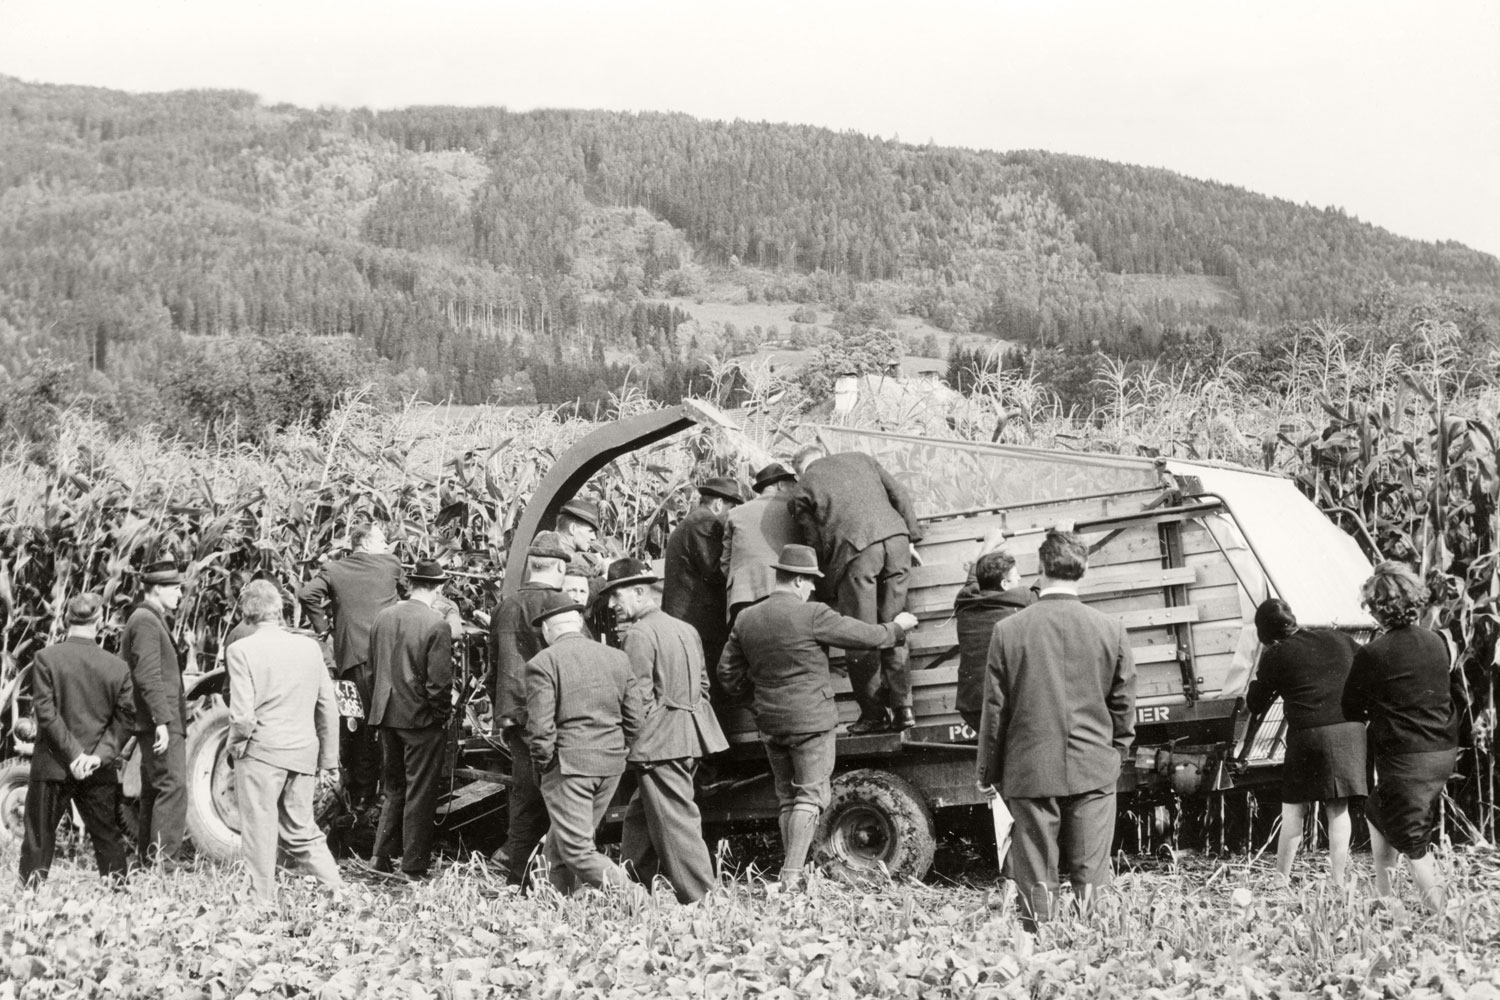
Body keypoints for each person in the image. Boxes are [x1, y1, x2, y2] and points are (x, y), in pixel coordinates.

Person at [718, 544, 917, 888]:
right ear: (797, 581)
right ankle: (792, 877)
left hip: (770, 723)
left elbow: (726, 673)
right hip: (811, 721)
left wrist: (757, 703)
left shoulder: (746, 618)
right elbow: (865, 636)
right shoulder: (812, 614)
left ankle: (796, 868)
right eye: (809, 582)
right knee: (810, 796)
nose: (812, 588)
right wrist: (898, 627)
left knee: (787, 798)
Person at [976, 527, 1136, 932]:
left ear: (1041, 568)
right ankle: (1092, 946)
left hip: (1029, 769)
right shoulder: (1111, 628)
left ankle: (1040, 943)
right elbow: (1123, 705)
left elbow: (995, 710)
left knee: (1035, 871)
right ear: (1083, 571)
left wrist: (987, 772)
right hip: (1094, 767)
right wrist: (1116, 754)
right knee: (1090, 872)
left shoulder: (1008, 630)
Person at [603, 559, 729, 903]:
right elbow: (703, 688)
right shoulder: (685, 629)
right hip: (688, 736)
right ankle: (631, 889)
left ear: (640, 592)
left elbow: (637, 701)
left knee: (677, 821)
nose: (614, 605)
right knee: (640, 816)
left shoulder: (639, 634)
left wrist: (630, 744)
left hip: (659, 743)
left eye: (617, 595)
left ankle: (703, 897)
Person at [1342, 561, 1460, 913]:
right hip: (1442, 749)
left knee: (1413, 839)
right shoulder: (1438, 641)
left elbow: (1350, 706)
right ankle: (1385, 899)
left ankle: (1444, 919)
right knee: (1377, 810)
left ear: (1377, 608)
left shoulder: (1373, 653)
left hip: (1407, 757)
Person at [788, 444, 924, 732]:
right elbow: (899, 492)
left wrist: (824, 589)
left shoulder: (803, 487)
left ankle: (874, 714)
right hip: (897, 542)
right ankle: (905, 709)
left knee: (860, 634)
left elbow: (813, 544)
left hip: (857, 554)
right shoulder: (861, 457)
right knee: (895, 623)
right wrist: (911, 536)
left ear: (799, 470)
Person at [225, 580, 344, 904]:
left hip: (261, 754)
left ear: (247, 614)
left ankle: (259, 901)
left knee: (260, 830)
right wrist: (328, 760)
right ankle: (337, 890)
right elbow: (327, 706)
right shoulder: (308, 648)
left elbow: (243, 716)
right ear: (278, 610)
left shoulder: (240, 651)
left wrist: (233, 747)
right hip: (302, 754)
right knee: (301, 829)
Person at [524, 593, 644, 896]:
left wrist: (545, 764)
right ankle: (556, 906)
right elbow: (636, 721)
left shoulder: (543, 663)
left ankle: (636, 897)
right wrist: (619, 749)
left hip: (570, 766)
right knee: (564, 837)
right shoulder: (616, 657)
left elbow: (540, 729)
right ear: (578, 622)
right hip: (610, 764)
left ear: (548, 630)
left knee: (576, 849)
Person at [1245, 597, 1365, 886]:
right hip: (1350, 731)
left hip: (1309, 734)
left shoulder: (1277, 653)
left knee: (1293, 810)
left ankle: (1280, 879)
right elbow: (1367, 669)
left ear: (1266, 633)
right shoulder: (1338, 637)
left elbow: (1255, 703)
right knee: (1338, 810)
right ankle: (1338, 881)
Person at [19, 594, 133, 885]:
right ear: (99, 621)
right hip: (98, 767)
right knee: (107, 837)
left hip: (53, 765)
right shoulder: (117, 667)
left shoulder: (47, 658)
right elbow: (126, 720)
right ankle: (119, 897)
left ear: (67, 619)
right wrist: (95, 757)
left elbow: (45, 714)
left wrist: (73, 755)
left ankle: (29, 900)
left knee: (39, 836)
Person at [297, 522, 402, 815]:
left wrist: (324, 628)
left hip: (353, 664)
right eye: (382, 540)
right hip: (388, 660)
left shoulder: (334, 570)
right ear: (366, 544)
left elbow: (307, 594)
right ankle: (386, 796)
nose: (386, 546)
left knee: (356, 726)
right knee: (389, 725)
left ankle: (360, 798)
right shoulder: (391, 565)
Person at [487, 531, 568, 884]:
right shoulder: (559, 602)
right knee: (561, 796)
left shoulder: (506, 606)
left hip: (516, 716)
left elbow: (493, 666)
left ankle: (517, 878)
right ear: (560, 568)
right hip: (553, 715)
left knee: (523, 798)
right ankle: (558, 880)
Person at [367, 559, 453, 879]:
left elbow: (374, 665)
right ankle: (414, 864)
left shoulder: (383, 617)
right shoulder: (436, 624)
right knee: (421, 792)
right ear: (439, 588)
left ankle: (380, 856)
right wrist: (441, 716)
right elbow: (439, 683)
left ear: (412, 585)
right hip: (419, 720)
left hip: (386, 714)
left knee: (394, 788)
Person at [121, 557, 190, 870]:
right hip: (160, 718)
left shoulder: (147, 618)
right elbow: (147, 675)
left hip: (156, 717)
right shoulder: (147, 621)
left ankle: (151, 862)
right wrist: (162, 721)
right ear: (156, 590)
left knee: (154, 787)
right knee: (171, 786)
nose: (179, 594)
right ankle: (163, 863)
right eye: (174, 588)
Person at [662, 477, 742, 671]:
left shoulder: (696, 519)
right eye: (732, 508)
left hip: (689, 617)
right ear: (719, 504)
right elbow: (716, 570)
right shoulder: (705, 522)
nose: (733, 515)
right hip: (698, 621)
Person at [953, 544, 1034, 734]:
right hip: (1007, 705)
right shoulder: (1022, 604)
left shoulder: (964, 602)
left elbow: (973, 579)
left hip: (973, 706)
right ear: (1005, 585)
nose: (1020, 579)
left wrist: (988, 543)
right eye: (1016, 576)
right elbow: (1050, 582)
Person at [721, 462, 802, 625]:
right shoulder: (795, 511)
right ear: (780, 485)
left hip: (743, 598)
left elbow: (725, 564)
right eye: (791, 485)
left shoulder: (735, 513)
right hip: (785, 596)